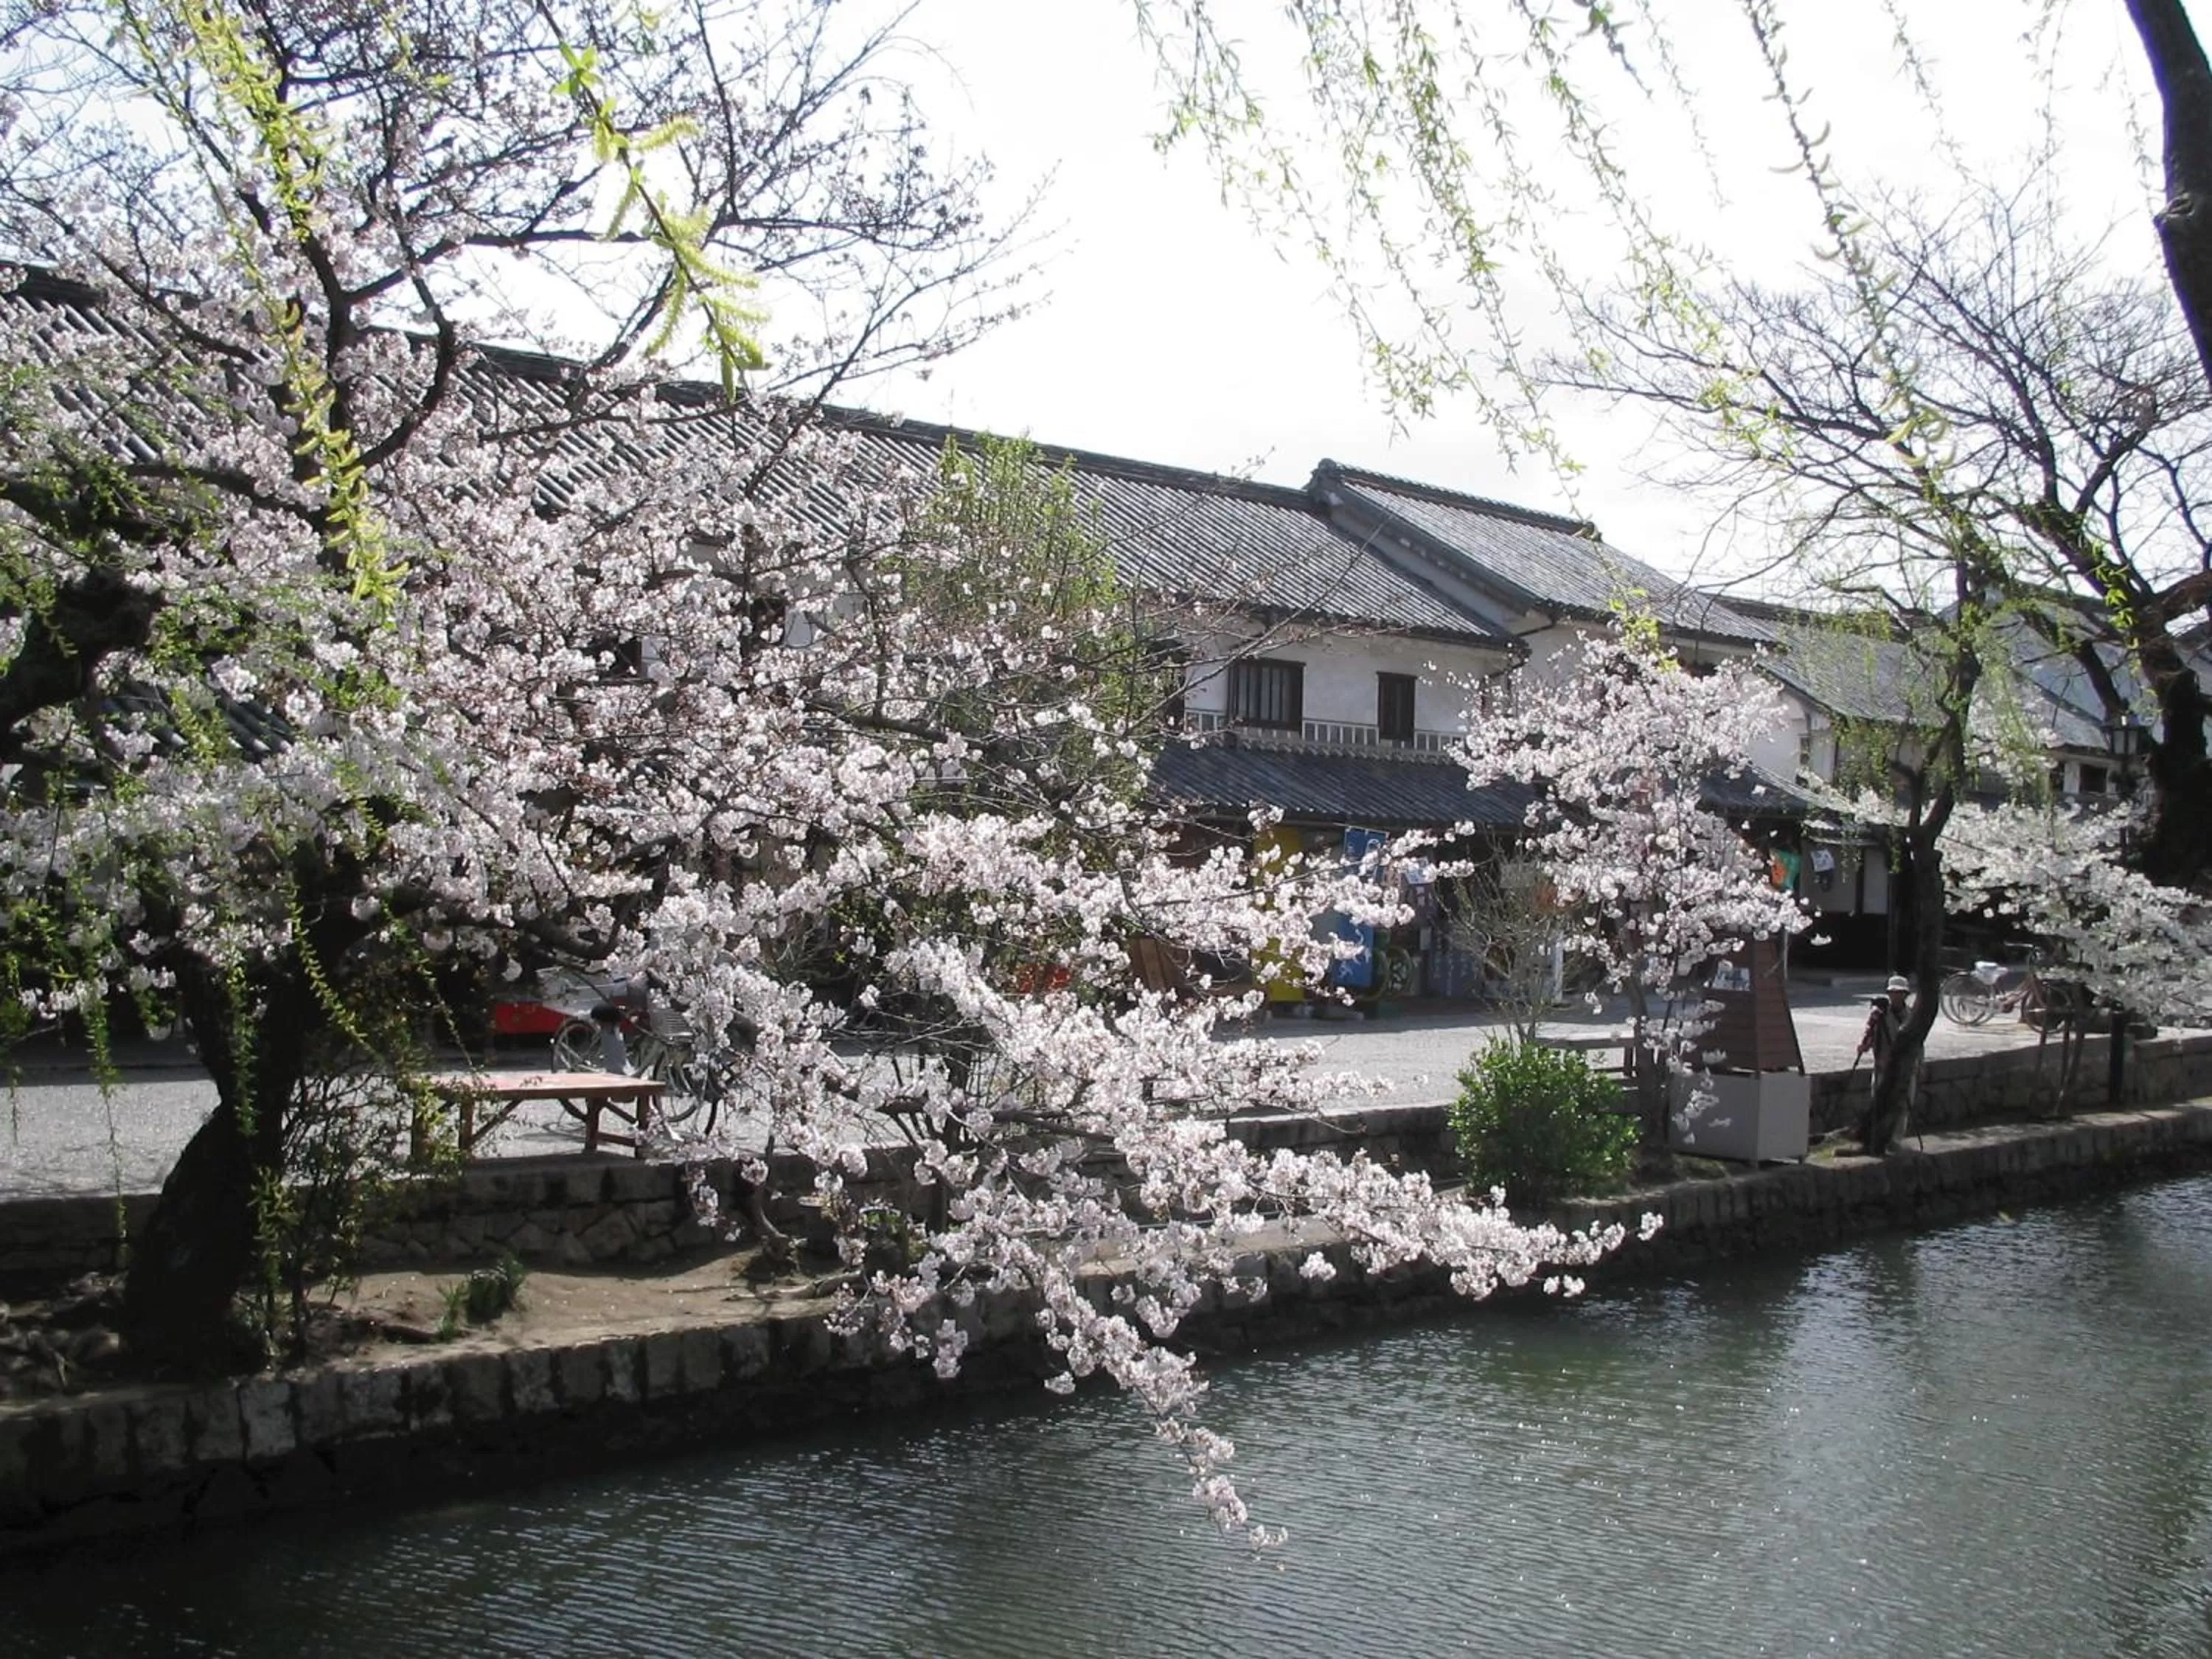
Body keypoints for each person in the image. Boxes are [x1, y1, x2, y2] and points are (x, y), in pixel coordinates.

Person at [1854, 973, 1917, 1153]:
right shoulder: (1879, 1015)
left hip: (1906, 1068)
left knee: (1902, 1105)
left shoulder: (1912, 1017)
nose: (1896, 996)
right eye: (1893, 993)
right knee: (1878, 1103)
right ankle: (1877, 1139)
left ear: (1906, 995)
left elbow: (1917, 1044)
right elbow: (1869, 1034)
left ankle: (1895, 1140)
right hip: (1883, 1066)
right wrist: (1864, 1046)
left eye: (1900, 993)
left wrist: (1919, 1065)